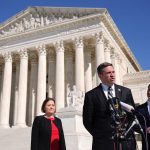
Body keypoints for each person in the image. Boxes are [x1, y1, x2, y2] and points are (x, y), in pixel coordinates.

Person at [83, 62, 136, 150]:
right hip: (103, 144)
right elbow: (87, 120)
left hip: (125, 143)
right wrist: (100, 135)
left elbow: (132, 116)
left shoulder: (126, 92)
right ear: (100, 76)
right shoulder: (91, 95)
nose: (112, 75)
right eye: (108, 73)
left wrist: (126, 133)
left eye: (113, 72)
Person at [136, 84, 150, 150]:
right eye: (149, 90)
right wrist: (145, 129)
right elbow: (135, 125)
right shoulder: (139, 109)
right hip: (147, 145)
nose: (149, 92)